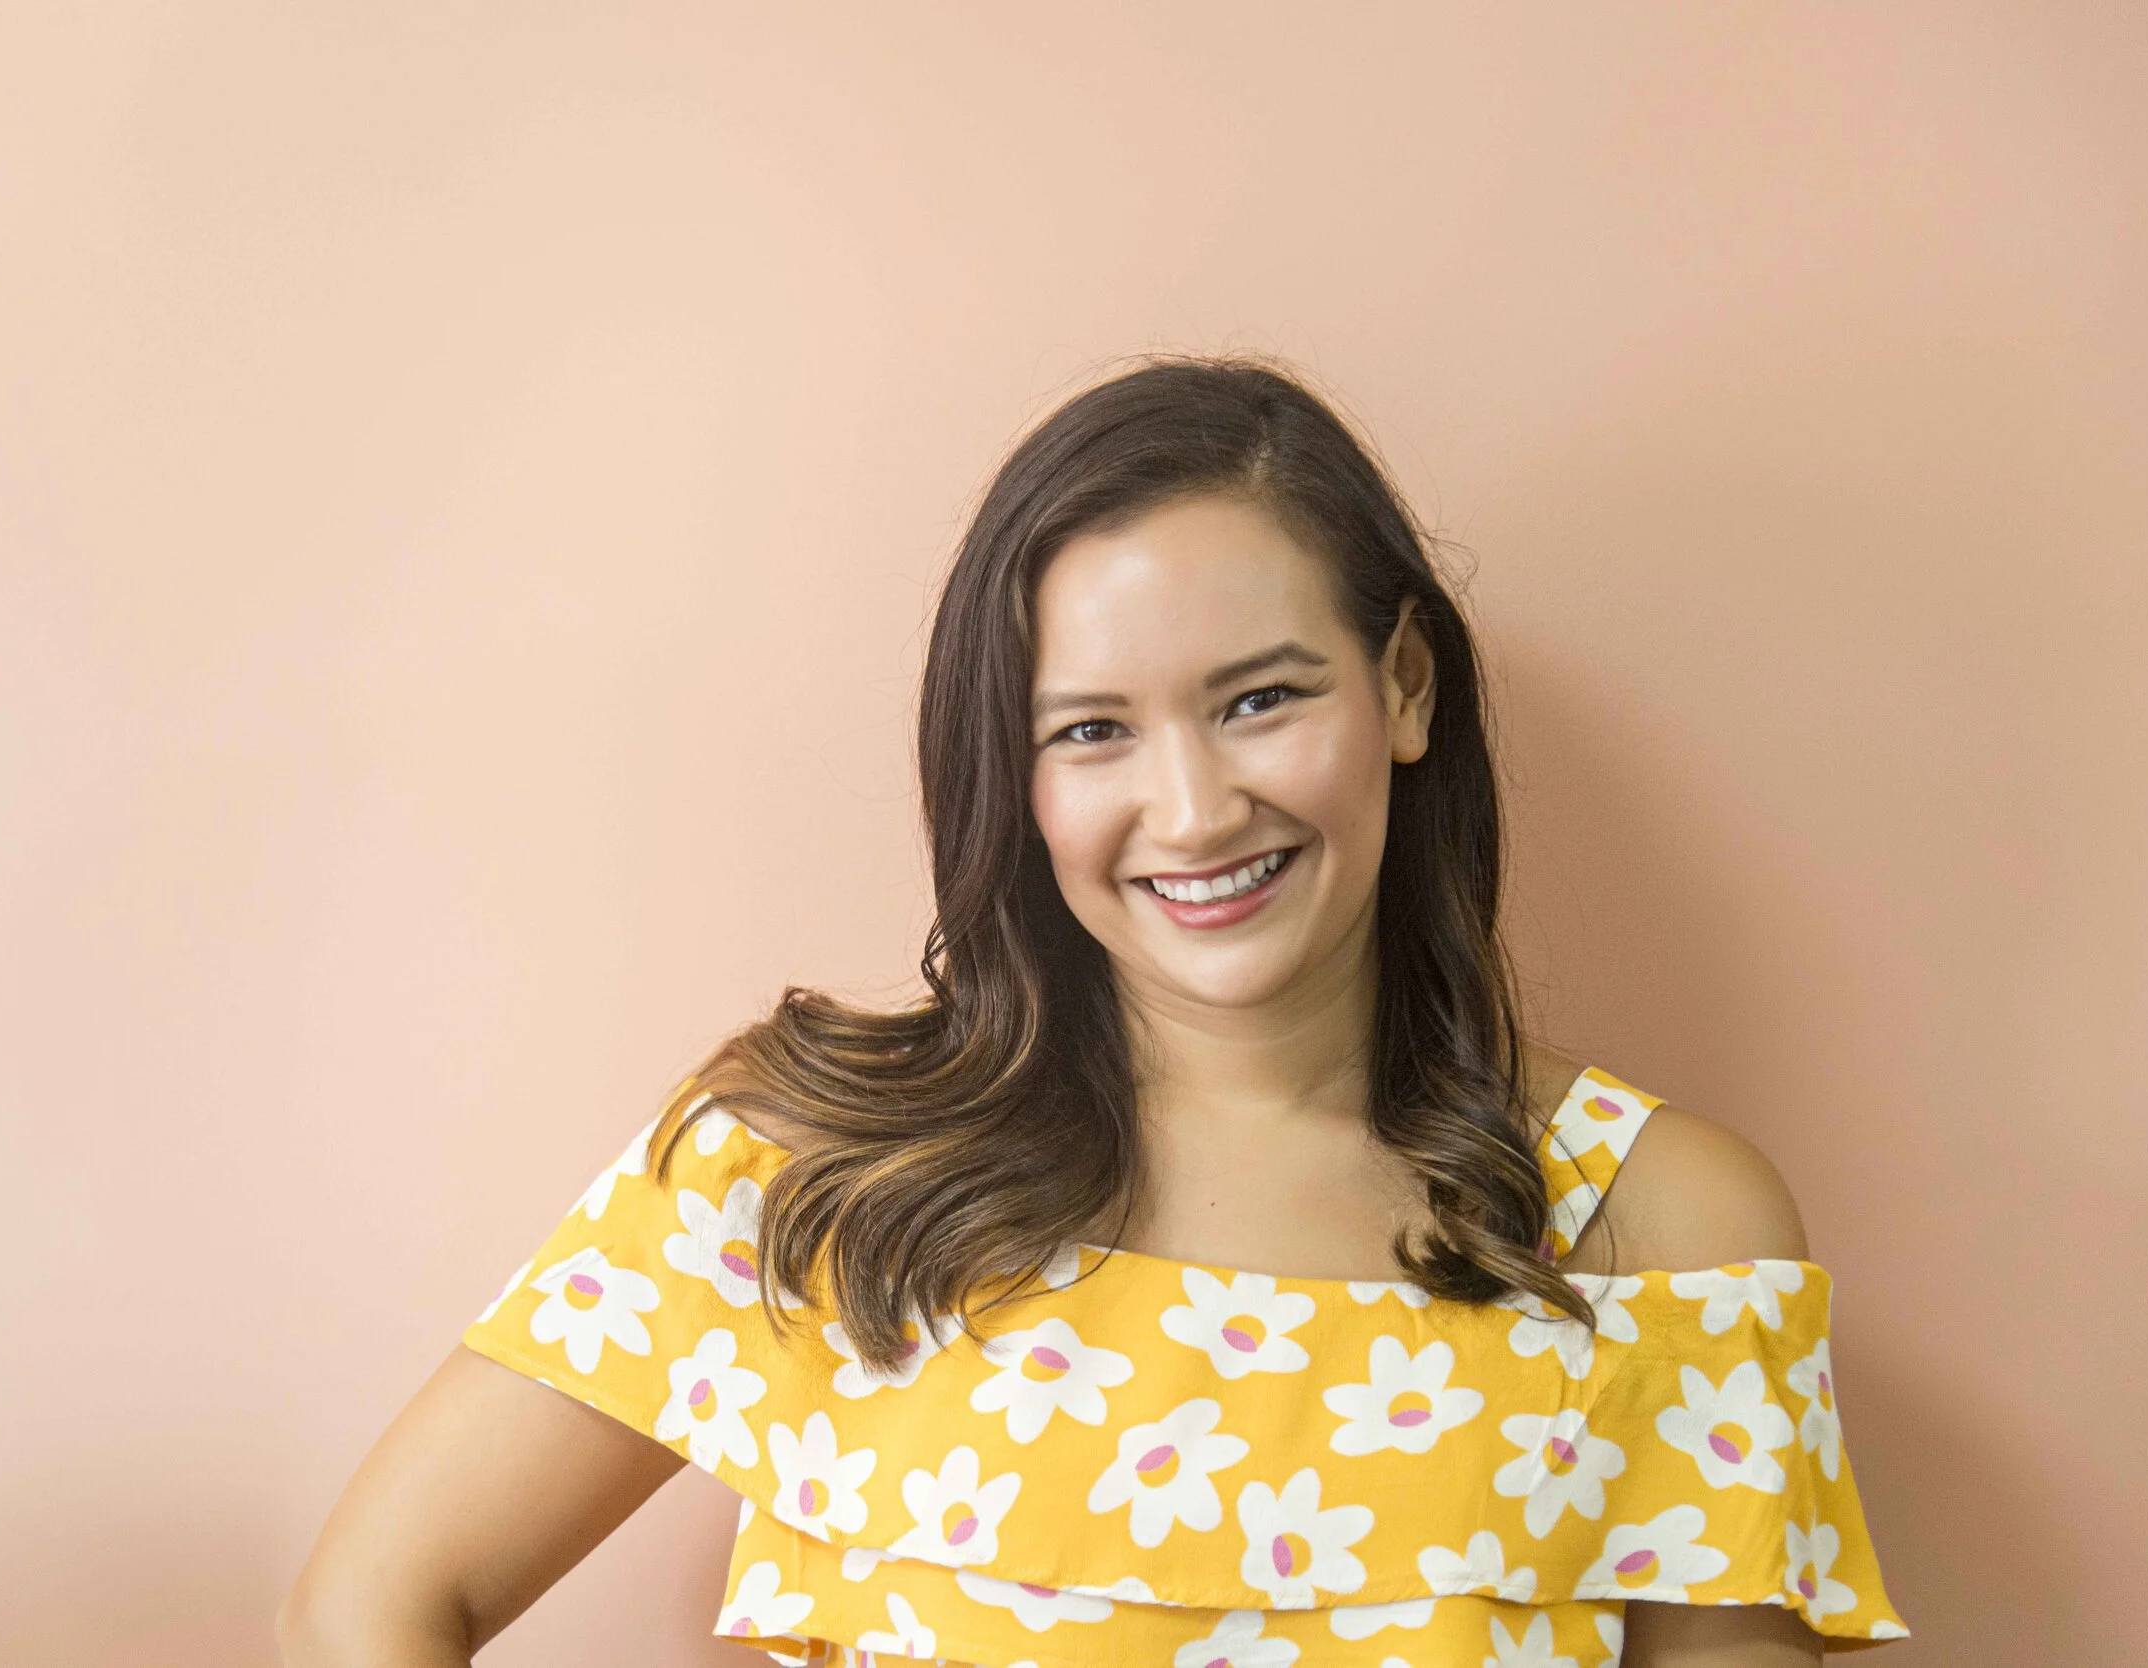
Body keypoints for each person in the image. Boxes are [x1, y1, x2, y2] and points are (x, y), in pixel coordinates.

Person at [278, 357, 1908, 1665]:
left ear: (1404, 688)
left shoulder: (1661, 1229)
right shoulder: (798, 1170)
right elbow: (365, 1607)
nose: (1193, 811)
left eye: (1260, 699)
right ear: (1016, 772)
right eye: (1092, 731)